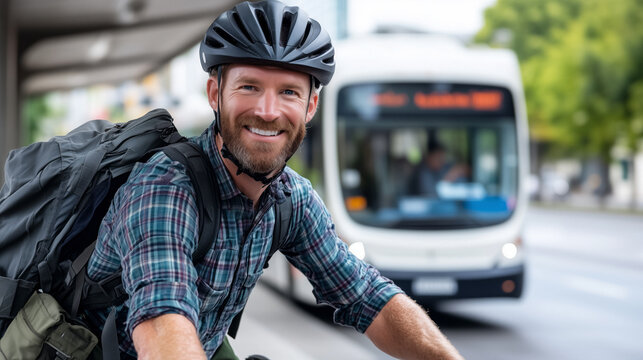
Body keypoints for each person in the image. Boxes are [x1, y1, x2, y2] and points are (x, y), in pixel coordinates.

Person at [84, 1, 465, 359]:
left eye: (288, 92)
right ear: (215, 94)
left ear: (310, 106)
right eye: (249, 87)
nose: (268, 112)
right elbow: (162, 321)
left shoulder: (291, 198)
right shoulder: (166, 185)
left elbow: (368, 298)